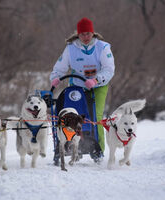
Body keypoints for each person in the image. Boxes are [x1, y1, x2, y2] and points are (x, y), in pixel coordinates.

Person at [50, 17, 115, 159]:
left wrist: (96, 79)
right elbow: (60, 67)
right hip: (77, 86)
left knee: (95, 116)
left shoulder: (103, 47)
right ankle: (75, 147)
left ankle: (99, 151)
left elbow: (109, 69)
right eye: (82, 34)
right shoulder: (71, 48)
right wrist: (55, 78)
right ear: (78, 35)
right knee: (74, 117)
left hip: (98, 86)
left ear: (93, 33)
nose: (85, 37)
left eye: (88, 33)